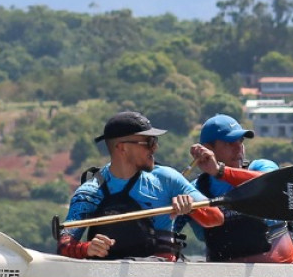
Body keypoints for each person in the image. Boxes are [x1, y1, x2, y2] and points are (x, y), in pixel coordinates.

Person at [59, 111, 225, 260]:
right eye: (148, 142)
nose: (155, 147)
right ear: (122, 148)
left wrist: (191, 207)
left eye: (155, 141)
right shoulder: (90, 192)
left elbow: (216, 218)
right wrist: (86, 249)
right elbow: (64, 245)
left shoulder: (167, 179)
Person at [186, 113, 293, 263]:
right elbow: (167, 227)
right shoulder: (194, 190)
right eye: (228, 143)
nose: (238, 148)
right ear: (208, 149)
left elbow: (272, 184)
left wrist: (220, 172)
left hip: (278, 273)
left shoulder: (261, 166)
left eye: (240, 140)